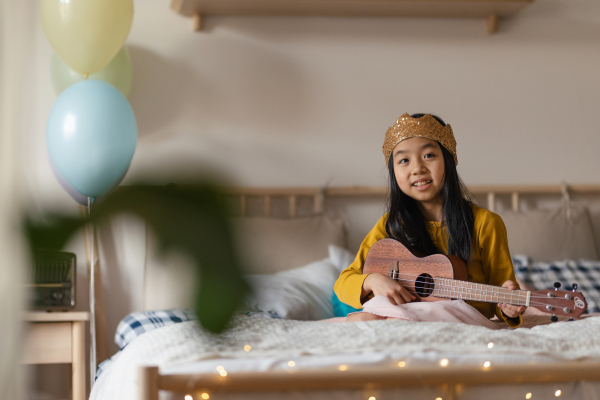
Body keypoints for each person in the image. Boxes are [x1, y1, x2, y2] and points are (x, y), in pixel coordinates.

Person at [334, 113, 526, 327]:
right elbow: (343, 283)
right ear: (394, 173)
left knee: (386, 321)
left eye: (428, 155)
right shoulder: (391, 224)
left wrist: (509, 308)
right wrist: (372, 280)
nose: (417, 168)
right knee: (363, 318)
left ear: (448, 160)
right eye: (404, 160)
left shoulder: (484, 223)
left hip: (461, 321)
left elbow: (504, 291)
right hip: (400, 313)